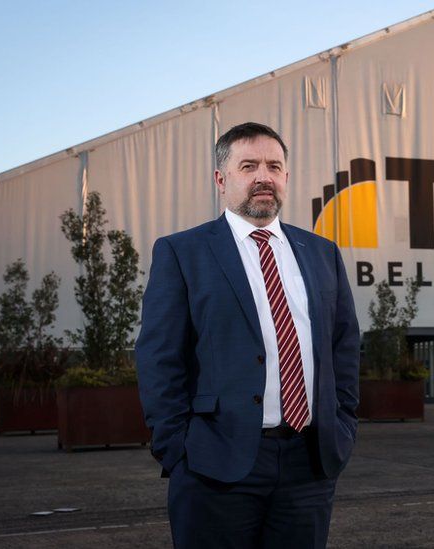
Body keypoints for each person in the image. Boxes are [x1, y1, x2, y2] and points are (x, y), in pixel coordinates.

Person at [135, 122, 360, 548]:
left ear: (286, 178)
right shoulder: (183, 252)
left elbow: (344, 347)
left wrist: (343, 426)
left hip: (309, 465)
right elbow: (159, 358)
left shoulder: (322, 253)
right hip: (214, 465)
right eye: (249, 165)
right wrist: (179, 450)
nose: (264, 176)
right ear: (222, 180)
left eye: (275, 166)